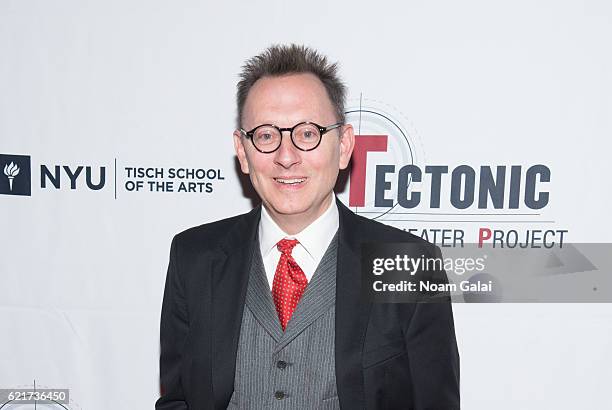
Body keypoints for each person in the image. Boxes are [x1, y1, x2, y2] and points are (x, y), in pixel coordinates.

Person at [156, 44, 460, 410]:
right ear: (243, 151)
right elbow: (178, 400)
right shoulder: (195, 257)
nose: (287, 157)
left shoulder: (408, 264)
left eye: (308, 133)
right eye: (267, 135)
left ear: (344, 145)